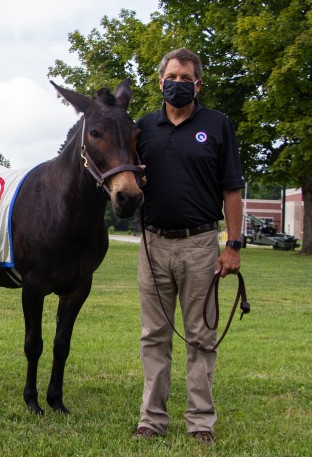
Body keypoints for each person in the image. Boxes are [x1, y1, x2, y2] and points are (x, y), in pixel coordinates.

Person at [133, 48, 244, 444]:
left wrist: (232, 245)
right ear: (160, 80)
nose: (177, 84)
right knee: (154, 335)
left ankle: (200, 423)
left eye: (185, 78)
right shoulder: (142, 129)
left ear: (198, 84)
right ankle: (152, 419)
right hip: (153, 245)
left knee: (201, 336)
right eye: (171, 76)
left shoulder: (217, 125)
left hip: (200, 243)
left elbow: (232, 188)